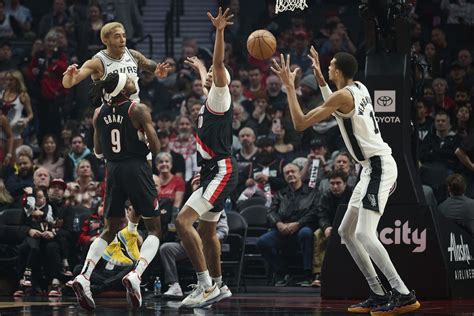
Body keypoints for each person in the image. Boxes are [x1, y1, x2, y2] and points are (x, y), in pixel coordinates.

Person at [270, 47, 420, 315]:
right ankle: (377, 291)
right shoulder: (358, 87)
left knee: (363, 233)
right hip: (369, 168)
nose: (327, 68)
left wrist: (289, 88)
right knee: (346, 232)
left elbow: (301, 123)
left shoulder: (342, 95)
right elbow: (337, 104)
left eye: (330, 67)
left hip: (379, 167)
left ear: (338, 71)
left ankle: (403, 293)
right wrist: (319, 76)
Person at [71, 72, 161, 310]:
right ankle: (137, 274)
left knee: (110, 228)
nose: (133, 81)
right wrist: (141, 136)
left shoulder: (99, 113)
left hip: (113, 170)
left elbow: (98, 151)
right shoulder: (137, 109)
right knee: (154, 229)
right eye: (129, 80)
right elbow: (157, 146)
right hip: (136, 167)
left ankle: (84, 275)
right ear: (122, 88)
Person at [175, 7, 237, 309]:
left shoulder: (220, 97)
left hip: (222, 169)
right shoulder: (208, 95)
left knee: (183, 222)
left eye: (214, 74)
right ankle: (220, 284)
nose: (209, 76)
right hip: (212, 170)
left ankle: (205, 285)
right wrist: (200, 66)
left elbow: (219, 63)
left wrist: (220, 31)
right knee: (207, 230)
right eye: (208, 76)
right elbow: (208, 75)